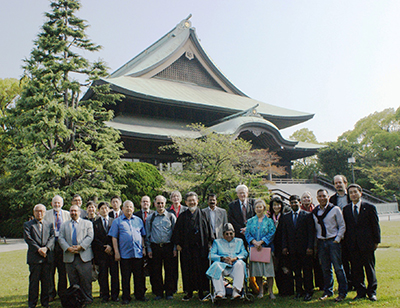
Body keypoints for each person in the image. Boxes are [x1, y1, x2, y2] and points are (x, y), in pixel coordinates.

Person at [172, 191, 214, 301]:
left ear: (197, 201)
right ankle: (189, 292)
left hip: (201, 248)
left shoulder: (203, 214)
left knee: (201, 270)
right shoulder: (182, 216)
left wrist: (210, 242)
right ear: (185, 202)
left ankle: (201, 292)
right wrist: (178, 244)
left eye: (193, 200)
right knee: (187, 270)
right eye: (189, 200)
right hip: (187, 248)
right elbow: (177, 232)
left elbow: (209, 230)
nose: (192, 202)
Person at [343, 184, 380, 301]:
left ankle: (372, 292)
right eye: (351, 193)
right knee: (356, 269)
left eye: (355, 192)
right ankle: (360, 292)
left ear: (360, 193)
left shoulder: (369, 207)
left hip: (367, 244)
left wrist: (376, 241)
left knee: (369, 269)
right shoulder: (346, 209)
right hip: (353, 245)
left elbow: (375, 226)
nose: (353, 194)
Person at [108, 200, 147, 304]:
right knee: (126, 277)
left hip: (137, 253)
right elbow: (114, 238)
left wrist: (143, 248)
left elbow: (142, 235)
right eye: (126, 207)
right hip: (125, 254)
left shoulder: (138, 220)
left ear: (133, 209)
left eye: (131, 207)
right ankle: (126, 297)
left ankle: (140, 295)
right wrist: (116, 252)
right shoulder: (117, 221)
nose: (129, 208)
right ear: (122, 209)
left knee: (139, 276)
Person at [312, 189, 347, 302]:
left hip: (333, 241)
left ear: (328, 196)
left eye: (324, 196)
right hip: (321, 242)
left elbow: (342, 226)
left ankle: (342, 292)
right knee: (325, 269)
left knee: (338, 268)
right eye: (320, 196)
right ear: (317, 198)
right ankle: (328, 291)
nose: (322, 198)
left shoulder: (335, 209)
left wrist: (337, 239)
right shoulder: (315, 211)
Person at [58, 204, 94, 304]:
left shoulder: (87, 223)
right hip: (70, 257)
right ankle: (76, 299)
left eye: (75, 211)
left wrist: (81, 246)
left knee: (86, 280)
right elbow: (60, 238)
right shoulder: (64, 225)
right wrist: (67, 248)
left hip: (84, 256)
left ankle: (87, 299)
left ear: (79, 212)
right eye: (71, 211)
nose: (73, 213)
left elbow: (90, 237)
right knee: (73, 281)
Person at [281, 195, 314, 301]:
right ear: (289, 204)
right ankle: (299, 291)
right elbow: (284, 234)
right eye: (292, 203)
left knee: (307, 271)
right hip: (292, 249)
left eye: (296, 202)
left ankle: (309, 291)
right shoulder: (286, 217)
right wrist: (285, 247)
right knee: (297, 272)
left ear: (300, 203)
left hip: (305, 249)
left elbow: (311, 233)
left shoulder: (307, 215)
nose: (294, 204)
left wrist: (310, 247)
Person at [145, 195, 177, 300]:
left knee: (170, 270)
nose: (160, 205)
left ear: (165, 204)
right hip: (155, 247)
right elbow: (148, 235)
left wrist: (175, 248)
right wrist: (149, 249)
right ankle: (158, 292)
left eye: (162, 203)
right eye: (158, 203)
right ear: (154, 204)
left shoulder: (171, 216)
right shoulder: (150, 218)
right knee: (155, 271)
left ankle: (169, 292)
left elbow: (175, 233)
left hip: (168, 246)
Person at [24, 204, 55, 308]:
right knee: (34, 283)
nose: (39, 213)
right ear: (34, 212)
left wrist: (46, 248)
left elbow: (52, 237)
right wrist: (38, 249)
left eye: (41, 211)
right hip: (35, 258)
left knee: (46, 283)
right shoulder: (28, 225)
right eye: (37, 211)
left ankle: (45, 303)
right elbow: (28, 239)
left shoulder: (49, 224)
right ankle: (32, 303)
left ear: (45, 213)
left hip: (47, 258)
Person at [206, 223, 248, 299]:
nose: (229, 236)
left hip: (235, 267)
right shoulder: (217, 242)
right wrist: (222, 258)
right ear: (223, 235)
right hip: (222, 266)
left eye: (231, 233)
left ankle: (236, 291)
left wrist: (235, 258)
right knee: (215, 266)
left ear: (234, 233)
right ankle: (220, 293)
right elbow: (211, 255)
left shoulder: (239, 241)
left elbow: (244, 253)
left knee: (240, 263)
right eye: (227, 234)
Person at [245, 199, 276, 299]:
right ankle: (261, 291)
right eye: (257, 207)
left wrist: (262, 241)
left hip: (266, 248)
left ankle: (271, 292)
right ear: (254, 209)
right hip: (255, 249)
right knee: (257, 272)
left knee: (269, 272)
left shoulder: (269, 221)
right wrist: (254, 242)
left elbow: (272, 233)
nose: (259, 209)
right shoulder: (250, 221)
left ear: (264, 208)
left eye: (260, 207)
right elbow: (247, 233)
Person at [43, 195, 70, 301]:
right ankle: (50, 293)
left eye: (59, 203)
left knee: (63, 271)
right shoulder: (46, 214)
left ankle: (62, 292)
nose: (57, 205)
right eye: (55, 203)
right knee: (50, 271)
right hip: (51, 245)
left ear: (62, 204)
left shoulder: (67, 214)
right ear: (51, 203)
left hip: (63, 245)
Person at [329, 175, 353, 291]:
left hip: (353, 233)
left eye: (340, 182)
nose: (338, 185)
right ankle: (347, 283)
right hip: (339, 233)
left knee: (355, 260)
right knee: (343, 260)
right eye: (336, 183)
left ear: (345, 183)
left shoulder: (352, 196)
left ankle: (357, 283)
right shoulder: (332, 200)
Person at [92, 201, 119, 303]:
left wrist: (111, 247)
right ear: (98, 211)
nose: (104, 210)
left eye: (106, 208)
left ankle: (115, 295)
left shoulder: (114, 221)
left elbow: (117, 236)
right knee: (103, 276)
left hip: (112, 253)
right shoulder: (95, 223)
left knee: (115, 275)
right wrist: (104, 248)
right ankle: (105, 295)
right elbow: (94, 239)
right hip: (101, 254)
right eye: (102, 208)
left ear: (109, 209)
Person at [269, 196, 294, 296]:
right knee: (277, 268)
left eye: (278, 205)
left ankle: (289, 290)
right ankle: (281, 290)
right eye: (274, 205)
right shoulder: (269, 218)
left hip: (284, 245)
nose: (276, 207)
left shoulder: (285, 216)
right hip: (273, 246)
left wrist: (286, 246)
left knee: (286, 268)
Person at [301, 192, 324, 291]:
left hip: (317, 238)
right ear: (301, 200)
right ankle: (308, 286)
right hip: (304, 241)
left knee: (318, 264)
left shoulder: (316, 210)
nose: (306, 199)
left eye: (308, 197)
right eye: (304, 197)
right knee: (307, 266)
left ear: (311, 199)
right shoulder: (300, 211)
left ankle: (321, 284)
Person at [167, 190, 188, 293]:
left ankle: (186, 287)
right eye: (173, 197)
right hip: (172, 240)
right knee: (173, 266)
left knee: (185, 265)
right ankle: (173, 287)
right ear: (171, 199)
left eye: (177, 196)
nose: (175, 198)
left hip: (184, 241)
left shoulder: (186, 209)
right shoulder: (167, 211)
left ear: (180, 198)